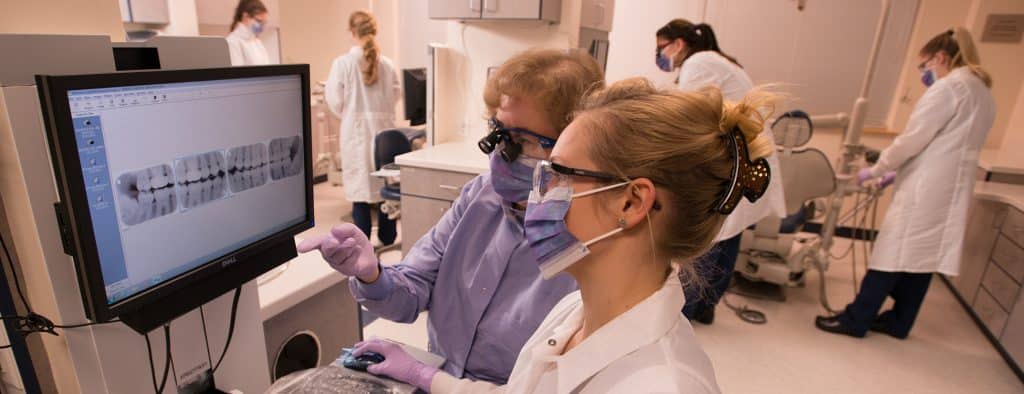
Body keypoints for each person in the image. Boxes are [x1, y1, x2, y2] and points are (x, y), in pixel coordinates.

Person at [349, 79, 776, 393]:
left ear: (631, 202)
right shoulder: (575, 310)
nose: (538, 194)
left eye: (559, 175)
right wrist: (426, 376)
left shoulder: (660, 384)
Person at [299, 48, 605, 383]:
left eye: (521, 140)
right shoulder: (480, 195)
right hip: (437, 377)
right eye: (498, 131)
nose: (502, 151)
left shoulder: (592, 240)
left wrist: (428, 378)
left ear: (570, 145)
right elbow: (411, 292)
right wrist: (372, 274)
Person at [816, 27, 995, 339]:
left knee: (893, 250)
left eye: (924, 67)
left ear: (940, 58)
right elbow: (946, 145)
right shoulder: (980, 90)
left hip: (927, 187)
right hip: (949, 187)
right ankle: (900, 322)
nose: (924, 75)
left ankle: (857, 319)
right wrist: (896, 173)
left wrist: (876, 170)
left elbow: (912, 140)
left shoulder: (948, 88)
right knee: (923, 256)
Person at [656, 19, 786, 324]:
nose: (660, 55)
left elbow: (687, 114)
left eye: (661, 48)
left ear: (678, 44)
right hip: (744, 156)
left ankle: (683, 314)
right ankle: (705, 308)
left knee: (712, 235)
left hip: (737, 159)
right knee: (728, 233)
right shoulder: (716, 60)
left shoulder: (699, 62)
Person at [323, 10, 401, 245]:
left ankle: (362, 247)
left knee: (360, 194)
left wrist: (351, 115)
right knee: (385, 188)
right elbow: (395, 96)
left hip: (356, 134)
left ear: (352, 32)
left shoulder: (343, 63)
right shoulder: (387, 64)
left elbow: (335, 101)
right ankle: (388, 239)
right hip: (384, 134)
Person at [226, 0, 271, 66]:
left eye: (264, 23)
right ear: (245, 16)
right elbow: (237, 73)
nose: (262, 26)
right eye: (259, 21)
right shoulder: (232, 42)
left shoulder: (257, 42)